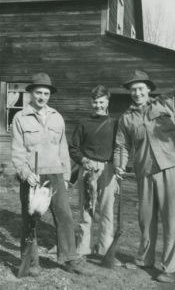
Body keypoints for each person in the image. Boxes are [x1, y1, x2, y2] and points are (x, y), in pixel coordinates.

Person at [114, 62, 175, 283]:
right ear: (130, 92)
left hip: (170, 169)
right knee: (146, 219)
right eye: (133, 89)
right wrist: (119, 165)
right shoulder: (126, 118)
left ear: (148, 89)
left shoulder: (165, 103)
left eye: (141, 88)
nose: (137, 93)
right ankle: (145, 259)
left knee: (172, 219)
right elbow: (121, 146)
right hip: (144, 171)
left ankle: (171, 268)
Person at [11, 72, 82, 276]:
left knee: (65, 216)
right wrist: (25, 173)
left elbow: (63, 149)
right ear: (31, 93)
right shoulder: (20, 118)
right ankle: (31, 262)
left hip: (56, 175)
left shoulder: (57, 117)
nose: (42, 97)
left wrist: (66, 177)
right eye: (38, 93)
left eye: (46, 93)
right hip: (33, 177)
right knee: (30, 220)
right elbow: (17, 151)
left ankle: (69, 258)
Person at [69, 85, 119, 261]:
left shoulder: (114, 123)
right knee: (86, 208)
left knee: (107, 210)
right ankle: (83, 248)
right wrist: (83, 161)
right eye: (95, 102)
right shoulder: (84, 123)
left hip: (107, 170)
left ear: (107, 102)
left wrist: (118, 167)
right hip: (87, 170)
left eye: (101, 102)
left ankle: (105, 250)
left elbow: (119, 148)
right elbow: (73, 148)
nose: (98, 105)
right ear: (92, 102)